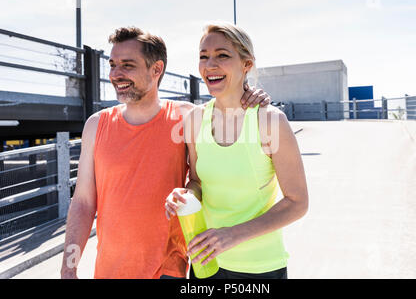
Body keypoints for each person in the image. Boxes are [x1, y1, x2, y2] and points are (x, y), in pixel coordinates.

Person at [60, 26, 270, 279]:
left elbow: (201, 179)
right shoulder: (96, 125)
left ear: (156, 69)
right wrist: (69, 266)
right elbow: (83, 202)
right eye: (113, 64)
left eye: (127, 65)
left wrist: (251, 93)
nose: (116, 74)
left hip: (168, 270)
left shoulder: (188, 117)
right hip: (109, 270)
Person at [165, 22, 309, 279]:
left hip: (260, 268)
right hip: (205, 264)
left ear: (247, 65)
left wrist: (231, 235)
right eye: (203, 57)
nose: (210, 65)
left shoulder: (270, 121)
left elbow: (297, 203)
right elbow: (197, 181)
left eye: (222, 55)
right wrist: (185, 195)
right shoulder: (195, 120)